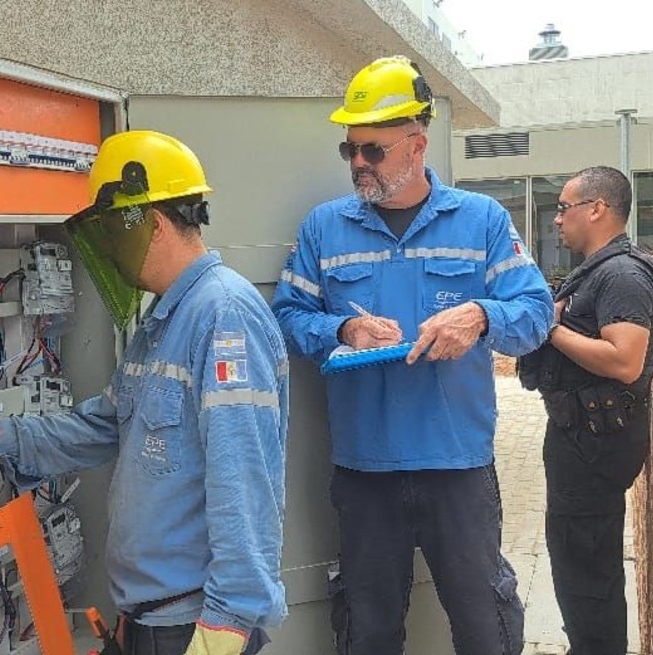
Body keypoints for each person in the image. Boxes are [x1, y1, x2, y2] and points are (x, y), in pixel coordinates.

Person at [0, 130, 290, 655]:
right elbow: (101, 426)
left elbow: (243, 474)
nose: (110, 249)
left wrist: (229, 619)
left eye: (113, 231)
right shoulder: (162, 320)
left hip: (195, 626)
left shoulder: (223, 314)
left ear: (151, 223)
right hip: (148, 619)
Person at [272, 55, 553, 655]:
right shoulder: (324, 228)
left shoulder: (481, 220)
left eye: (373, 150)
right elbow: (287, 319)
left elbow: (536, 313)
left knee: (485, 625)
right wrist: (343, 329)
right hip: (364, 470)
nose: (359, 164)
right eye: (350, 150)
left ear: (417, 144)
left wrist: (482, 316)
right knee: (368, 630)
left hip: (457, 465)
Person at [518, 166, 653, 655]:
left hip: (594, 445)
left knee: (585, 568)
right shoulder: (603, 269)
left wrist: (551, 329)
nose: (557, 219)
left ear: (597, 209)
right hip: (582, 437)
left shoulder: (622, 274)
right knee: (578, 564)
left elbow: (625, 361)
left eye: (564, 208)